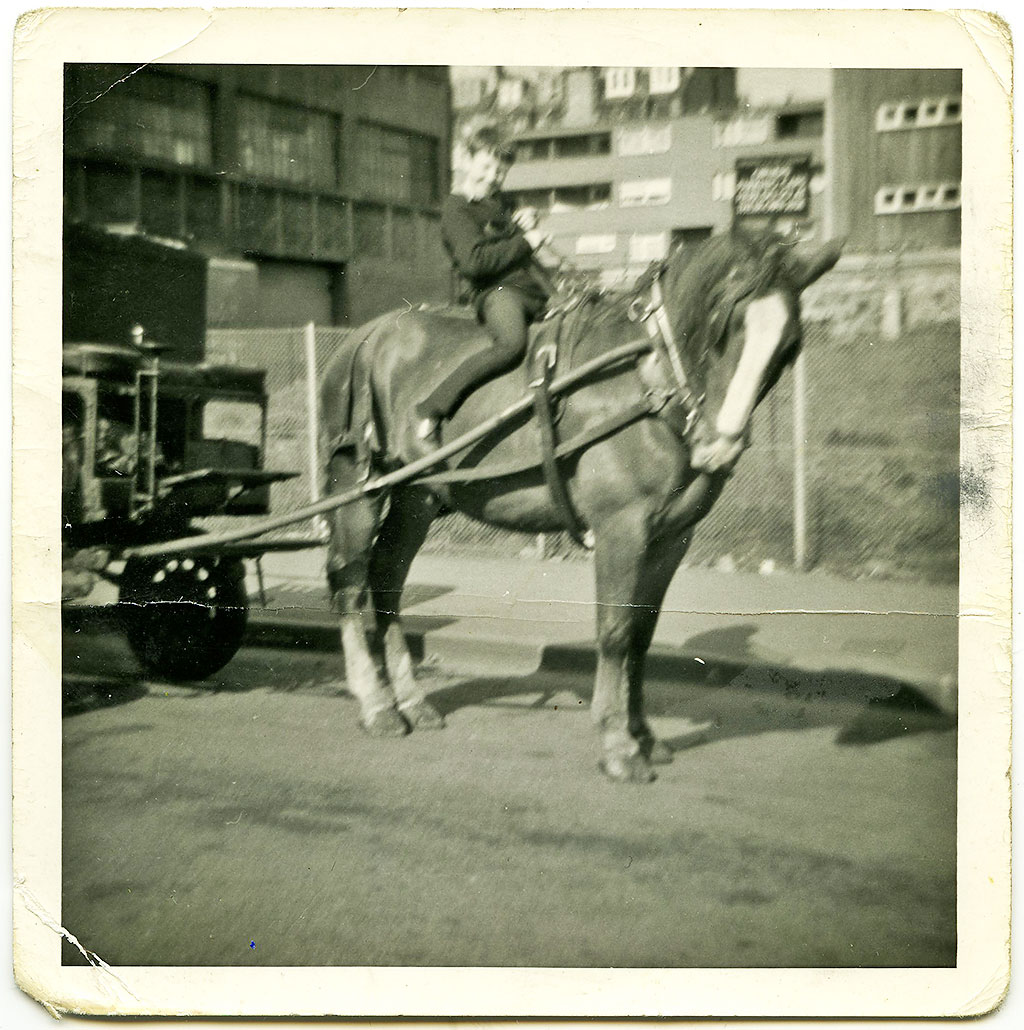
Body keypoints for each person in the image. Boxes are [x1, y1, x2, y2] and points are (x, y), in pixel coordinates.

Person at [414, 125, 553, 443]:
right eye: (487, 167)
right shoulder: (456, 209)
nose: (493, 177)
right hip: (496, 292)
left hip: (531, 287)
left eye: (501, 172)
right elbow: (475, 263)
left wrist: (524, 222)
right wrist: (526, 242)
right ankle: (434, 406)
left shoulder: (503, 203)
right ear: (466, 159)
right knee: (512, 344)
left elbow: (507, 235)